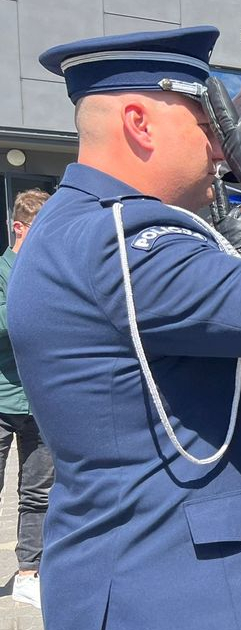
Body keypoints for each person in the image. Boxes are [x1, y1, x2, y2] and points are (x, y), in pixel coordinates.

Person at [10, 26, 241, 630]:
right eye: (208, 126)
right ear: (139, 124)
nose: (223, 151)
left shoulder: (78, 226)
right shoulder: (127, 242)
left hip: (144, 570)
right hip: (180, 587)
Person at [0, 188, 53, 609]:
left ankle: (28, 573)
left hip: (41, 400)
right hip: (2, 399)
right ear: (19, 228)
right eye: (41, 228)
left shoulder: (51, 272)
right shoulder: (4, 272)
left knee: (38, 493)